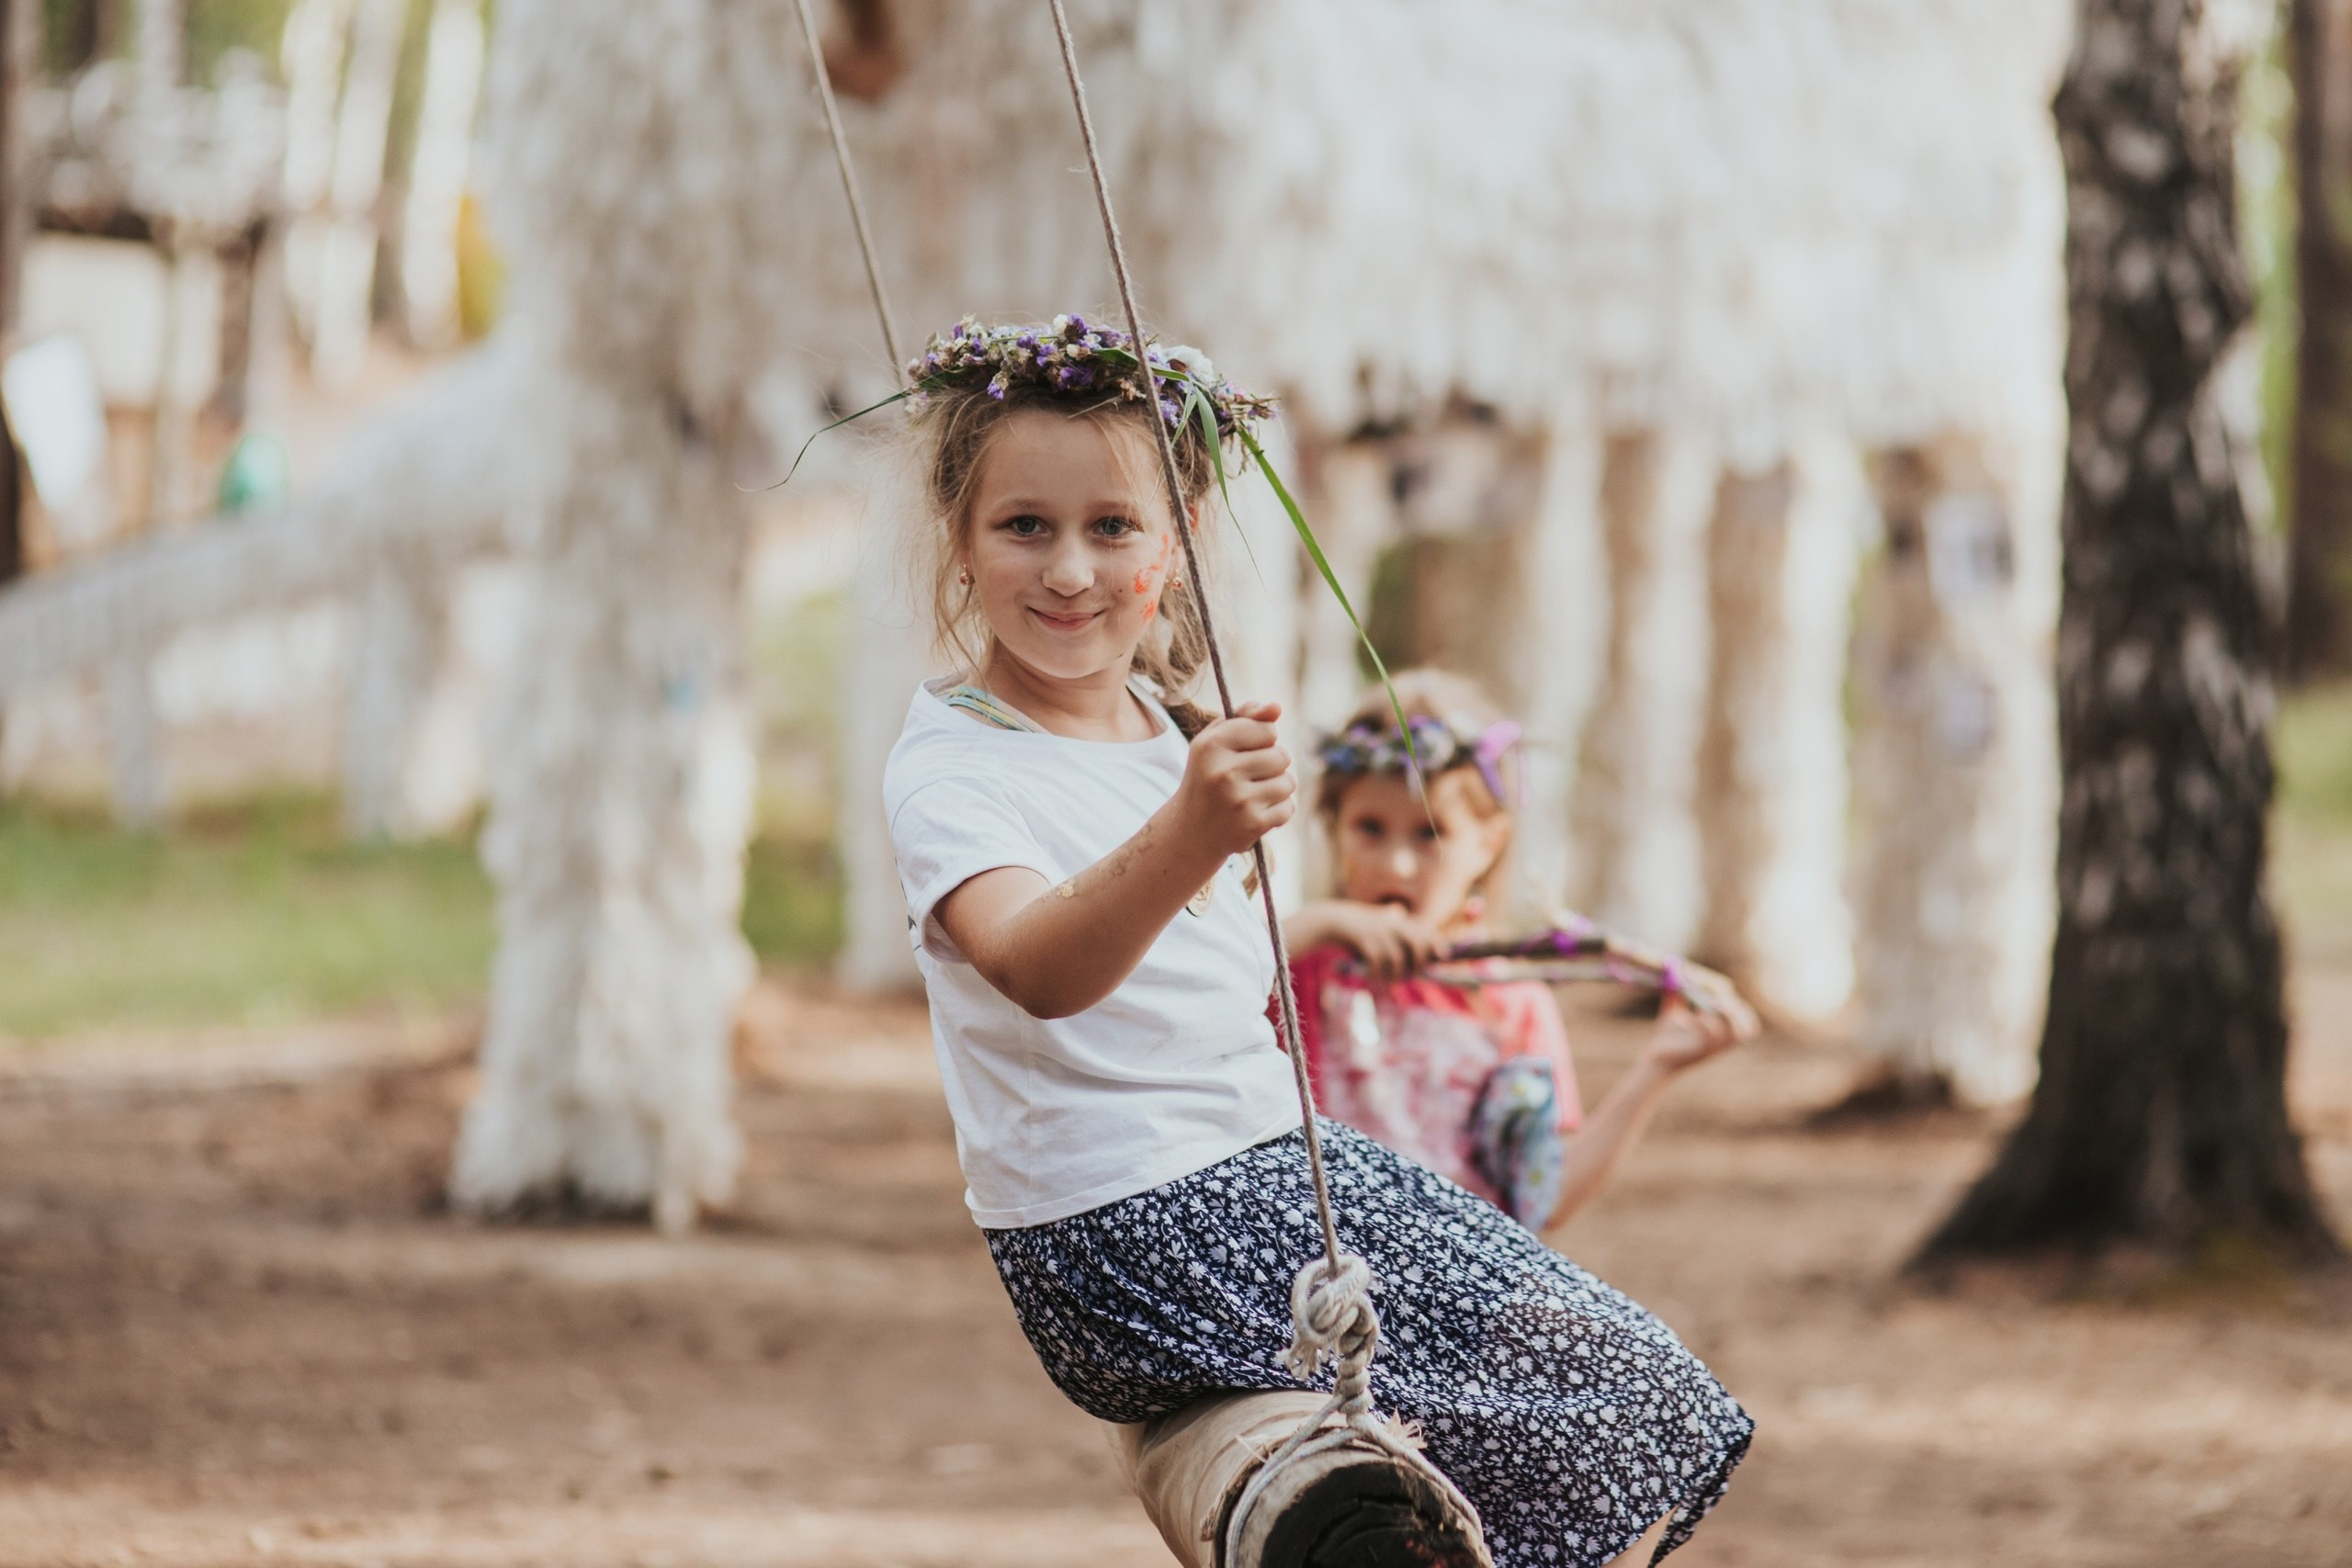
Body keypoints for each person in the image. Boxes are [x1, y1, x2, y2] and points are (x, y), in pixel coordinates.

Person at [881, 315, 1754, 1567]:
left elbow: (1189, 969)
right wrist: (1191, 829)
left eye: (1113, 526)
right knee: (1581, 1398)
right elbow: (1036, 968)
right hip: (1132, 1226)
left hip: (1261, 1171)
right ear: (958, 536)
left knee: (1632, 1386)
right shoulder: (954, 766)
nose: (1070, 569)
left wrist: (1307, 912)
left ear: (1176, 542)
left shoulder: (1164, 726)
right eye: (1025, 525)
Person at [1284, 671, 1748, 1233]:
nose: (1396, 864)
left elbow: (1545, 1198)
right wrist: (1318, 924)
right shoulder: (1300, 968)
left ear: (1488, 843)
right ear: (1334, 829)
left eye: (1430, 834)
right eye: (1369, 828)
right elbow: (1222, 983)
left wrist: (1657, 1068)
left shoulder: (1512, 1000)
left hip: (1462, 1273)